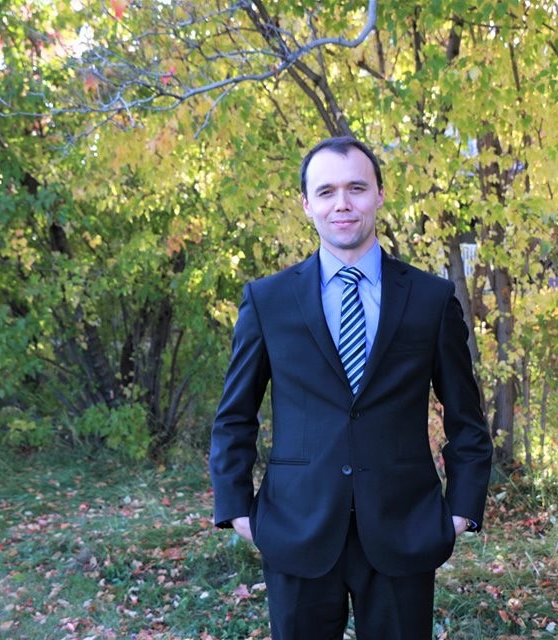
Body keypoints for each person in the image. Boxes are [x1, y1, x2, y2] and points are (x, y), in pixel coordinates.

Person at [209, 137, 493, 639]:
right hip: (294, 525)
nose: (342, 203)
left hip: (404, 526)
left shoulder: (431, 298)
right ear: (307, 204)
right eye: (327, 191)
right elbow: (235, 415)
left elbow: (466, 419)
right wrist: (237, 510)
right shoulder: (268, 300)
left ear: (379, 195)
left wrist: (462, 512)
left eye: (356, 188)